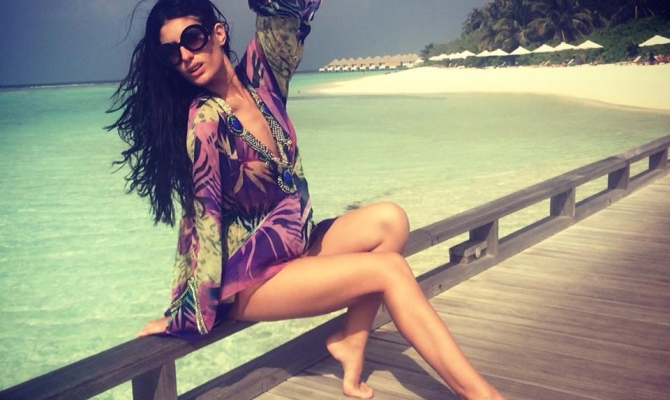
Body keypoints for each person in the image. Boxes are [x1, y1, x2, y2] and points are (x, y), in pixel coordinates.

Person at [108, 1, 506, 399]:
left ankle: (352, 341)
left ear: (218, 33)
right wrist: (184, 313)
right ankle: (482, 395)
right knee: (389, 270)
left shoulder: (261, 81)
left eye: (192, 39)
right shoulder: (205, 122)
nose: (185, 56)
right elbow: (203, 222)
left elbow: (284, 15)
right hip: (252, 279)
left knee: (392, 221)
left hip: (298, 244)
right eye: (171, 52)